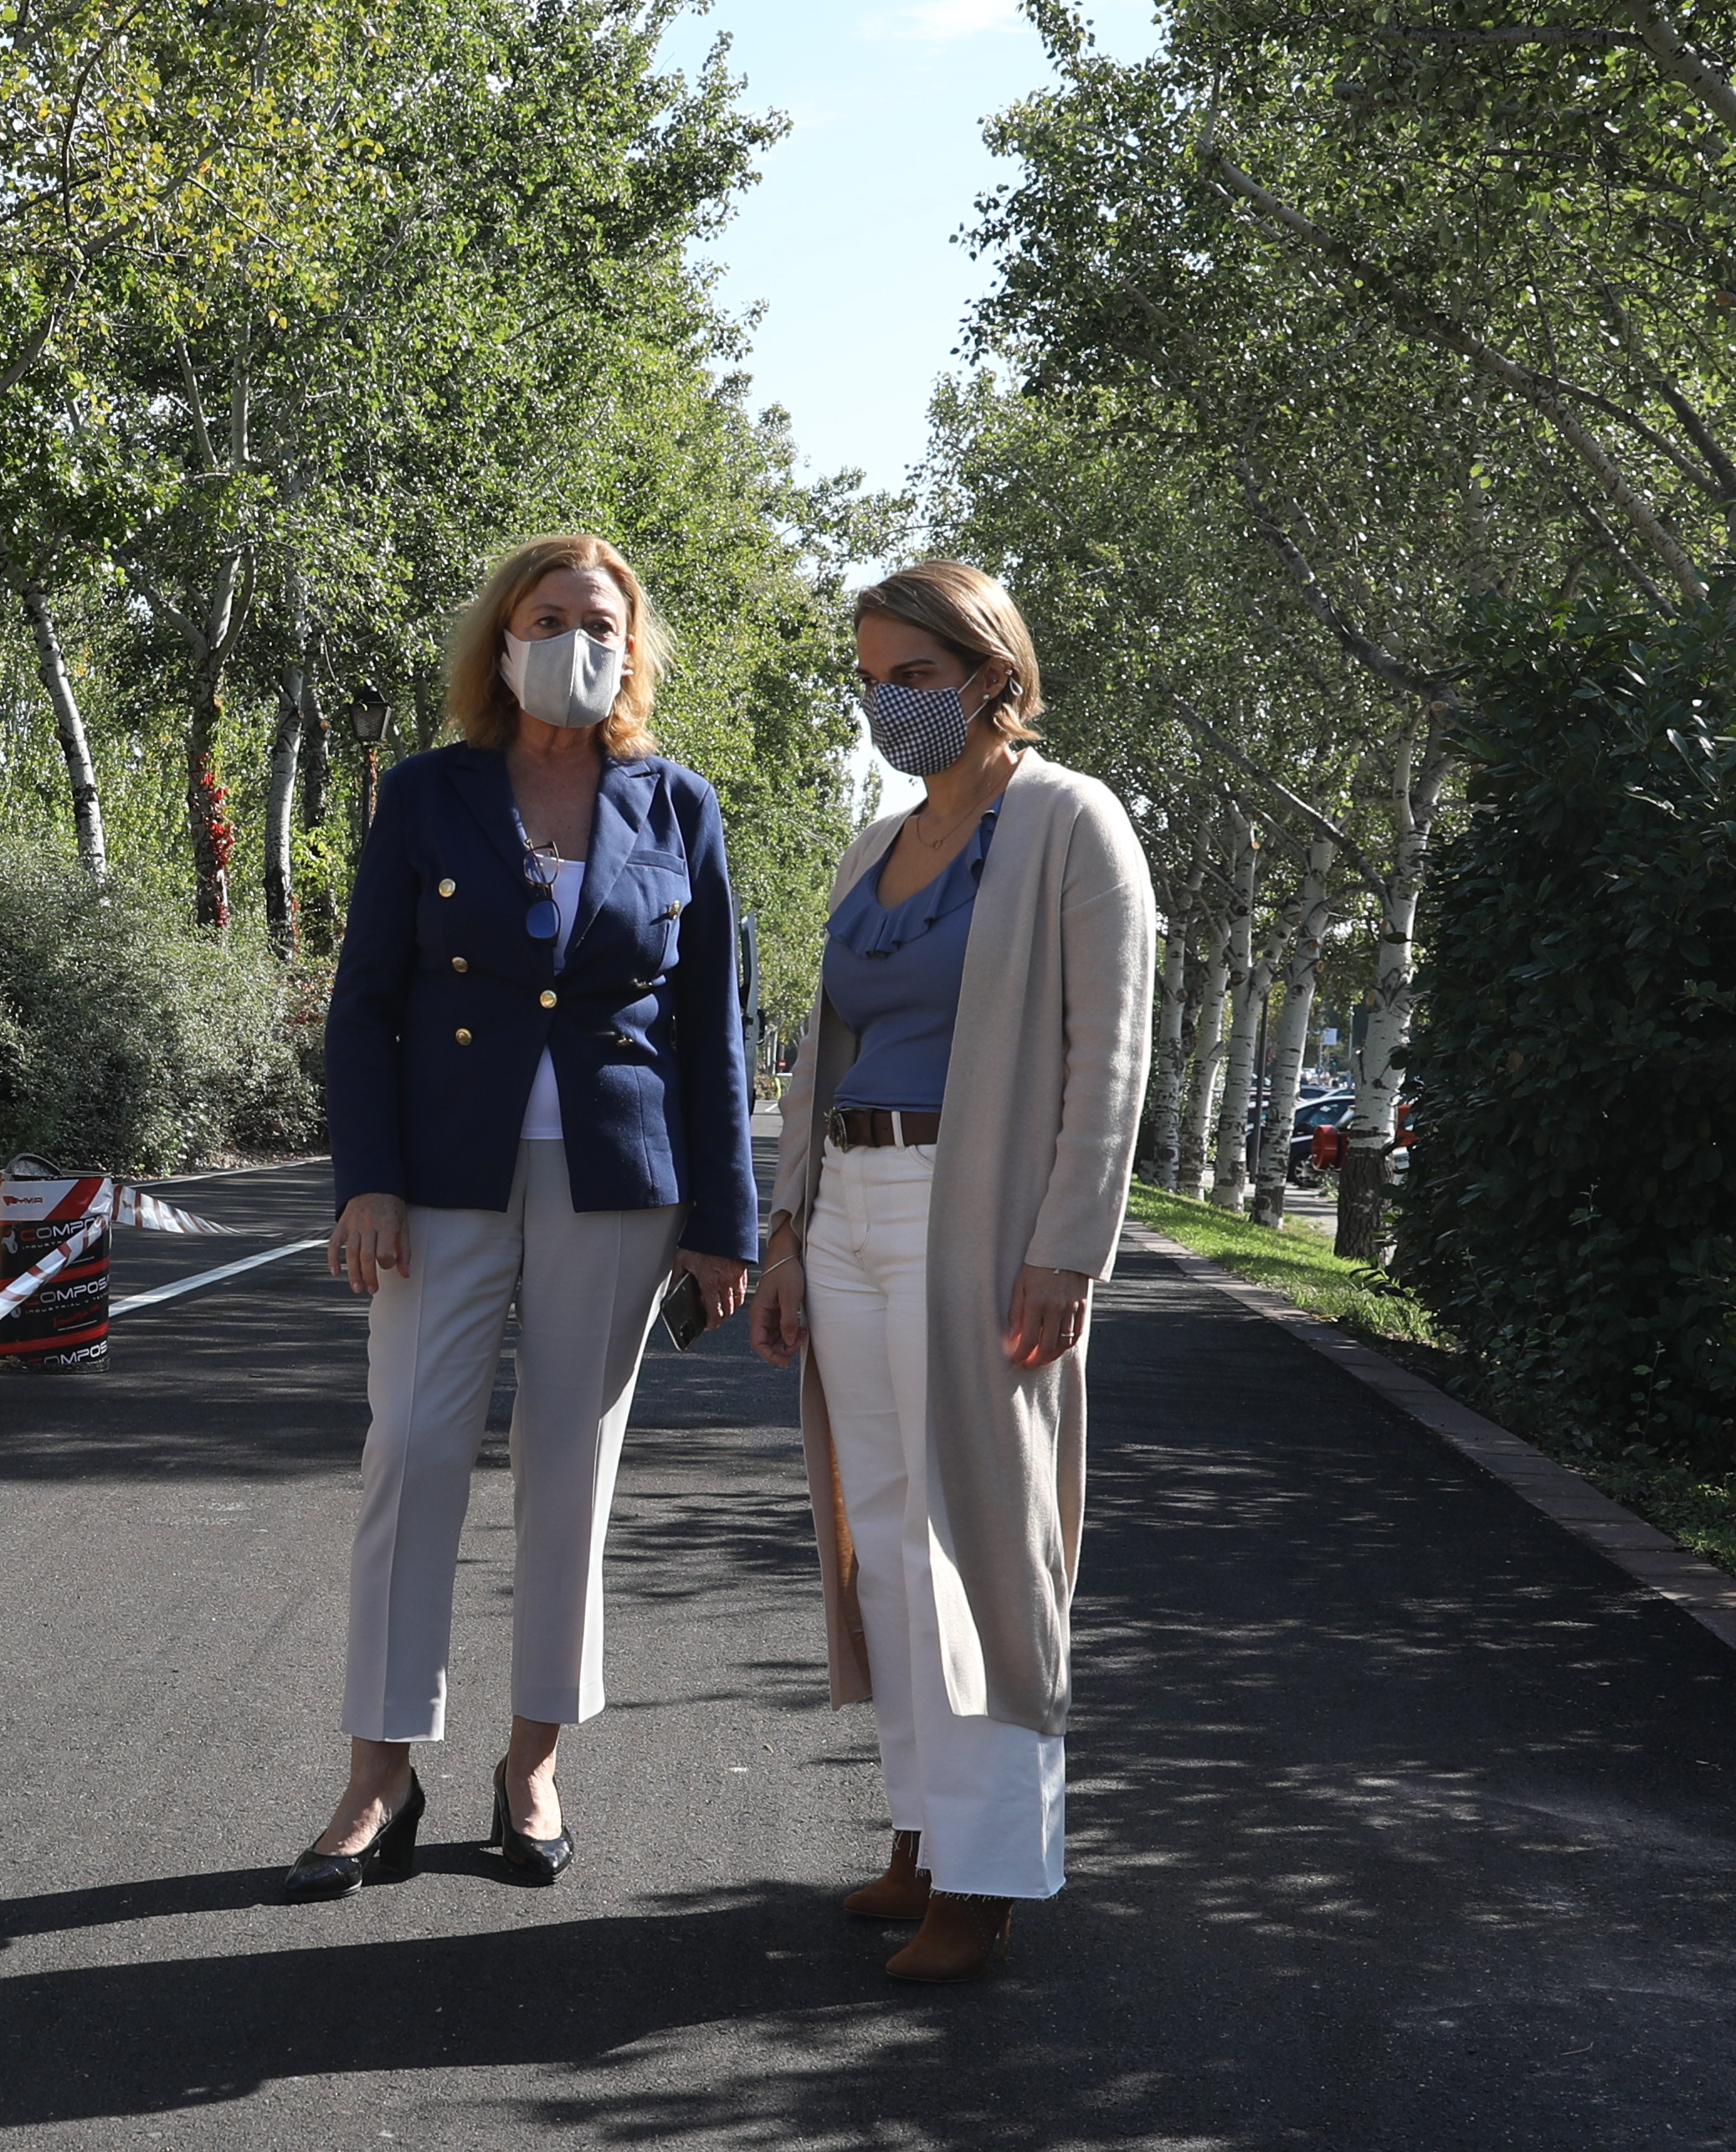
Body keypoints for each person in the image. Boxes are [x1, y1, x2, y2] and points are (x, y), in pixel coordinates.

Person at [291, 533, 758, 1898]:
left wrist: (725, 1223)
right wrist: (364, 1177)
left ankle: (532, 1766)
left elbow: (716, 1030)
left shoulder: (679, 807)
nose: (575, 638)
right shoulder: (427, 797)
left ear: (634, 643)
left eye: (599, 619)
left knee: (571, 1471)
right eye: (547, 616)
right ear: (500, 640)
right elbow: (365, 1000)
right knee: (416, 1450)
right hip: (437, 1175)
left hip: (622, 1182)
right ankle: (379, 1774)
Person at [751, 560, 1158, 1984]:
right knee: (882, 1536)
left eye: (911, 676)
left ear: (992, 673)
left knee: (978, 1545)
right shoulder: (876, 847)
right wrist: (786, 1231)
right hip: (855, 1199)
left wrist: (1067, 1250)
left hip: (977, 1216)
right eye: (868, 678)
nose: (885, 704)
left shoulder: (1069, 822)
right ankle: (923, 1829)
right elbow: (822, 1055)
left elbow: (1109, 1055)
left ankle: (988, 1876)